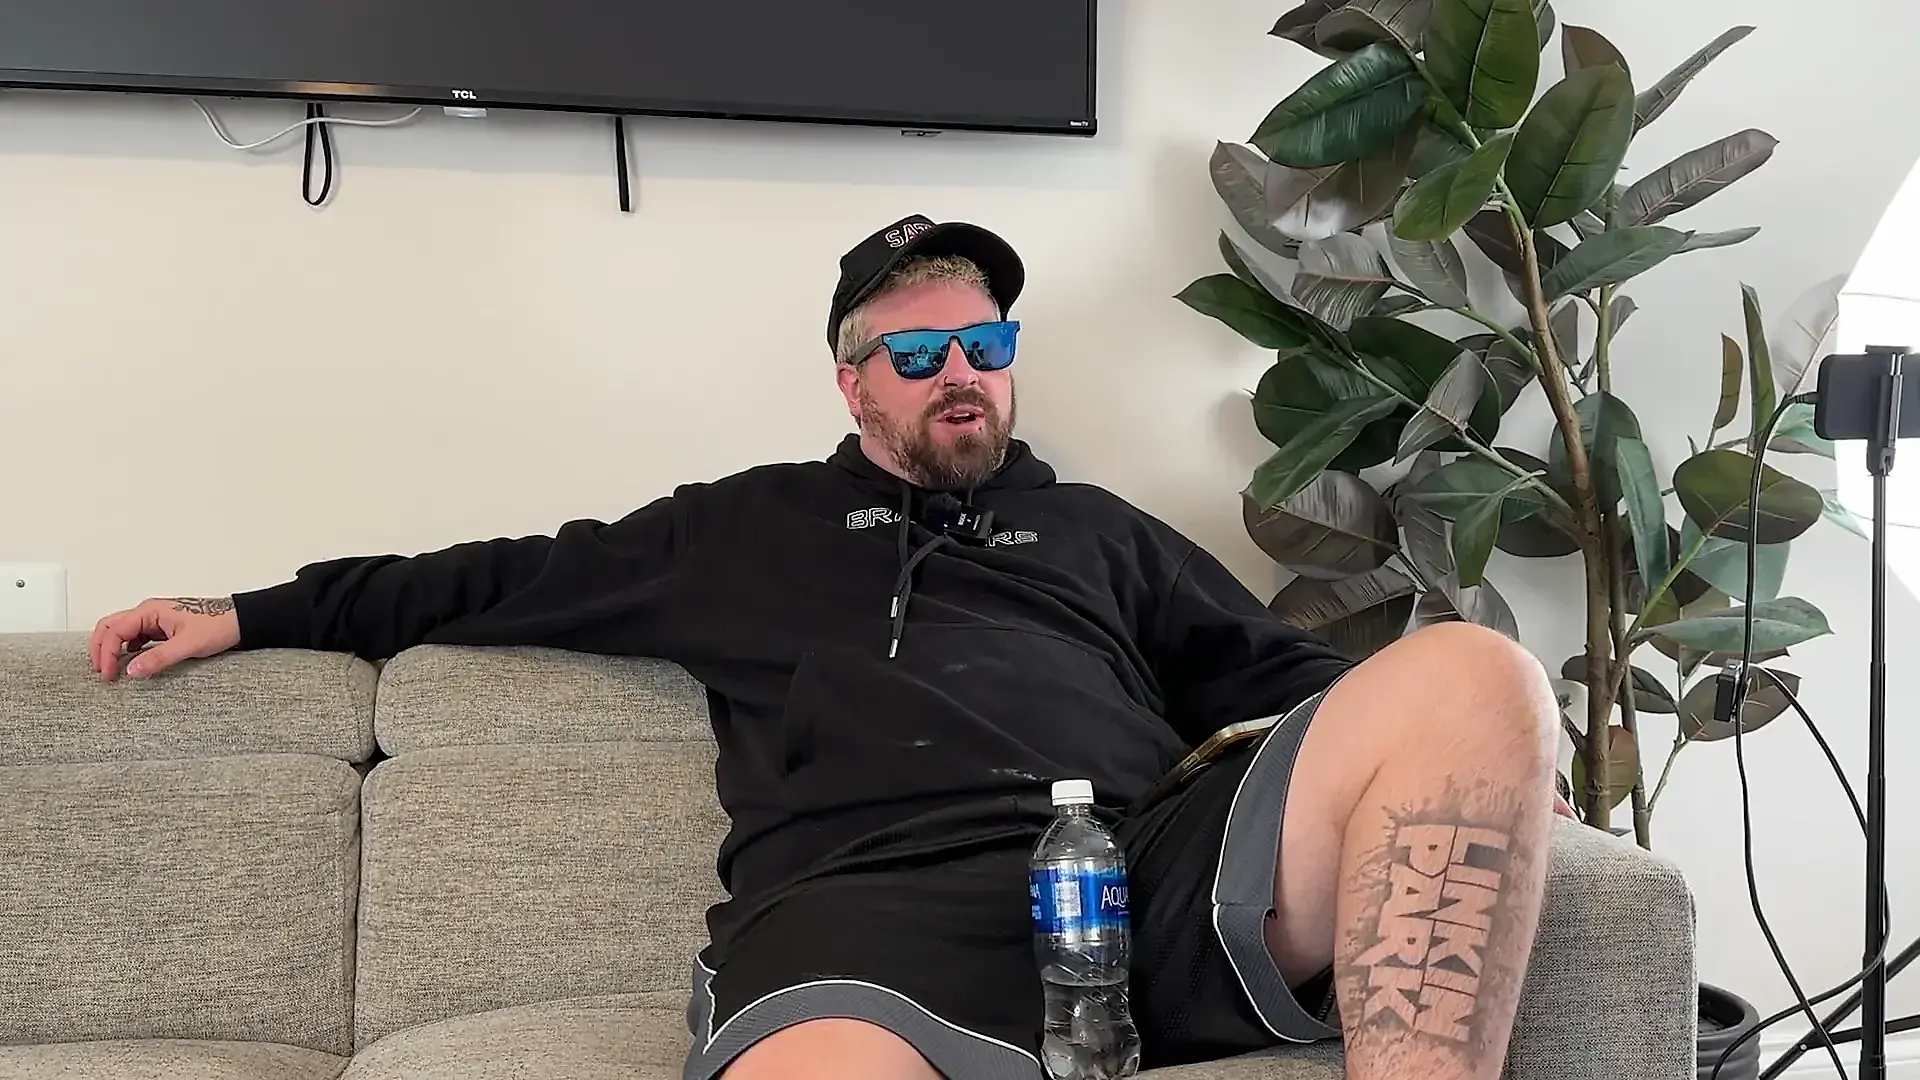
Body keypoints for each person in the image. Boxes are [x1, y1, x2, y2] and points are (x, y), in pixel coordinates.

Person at [90, 215, 1562, 1080]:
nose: (960, 374)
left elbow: (1293, 681)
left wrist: (1482, 761)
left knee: (1476, 674)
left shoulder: (1102, 531)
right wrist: (250, 613)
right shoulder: (741, 529)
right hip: (861, 911)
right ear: (855, 384)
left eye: (984, 344)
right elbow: (492, 582)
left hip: (1127, 877)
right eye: (917, 356)